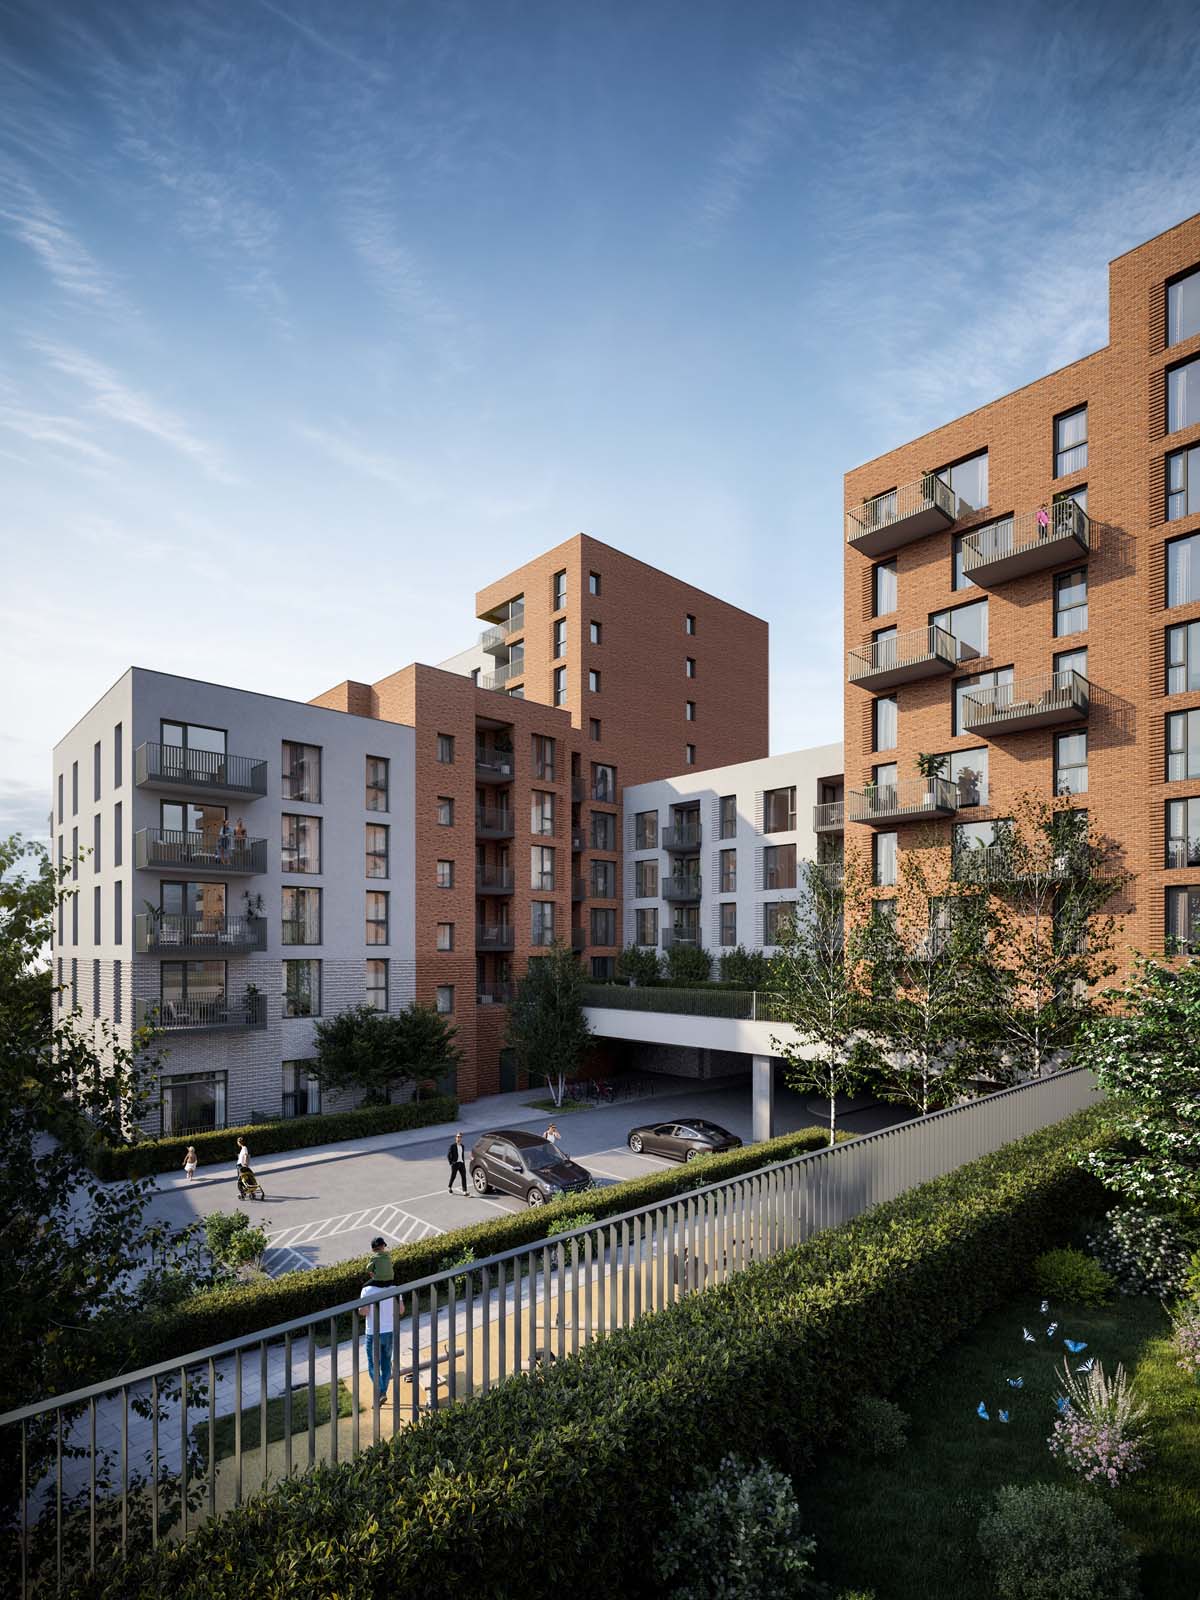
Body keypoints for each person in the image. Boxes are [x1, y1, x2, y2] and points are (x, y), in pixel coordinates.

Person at [358, 1281, 402, 1400]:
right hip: (389, 1331)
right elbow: (401, 1310)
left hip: (373, 1332)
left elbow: (364, 1311)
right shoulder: (394, 1287)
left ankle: (381, 1391)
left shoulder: (367, 1290)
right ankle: (383, 1392)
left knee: (373, 1364)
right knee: (386, 1363)